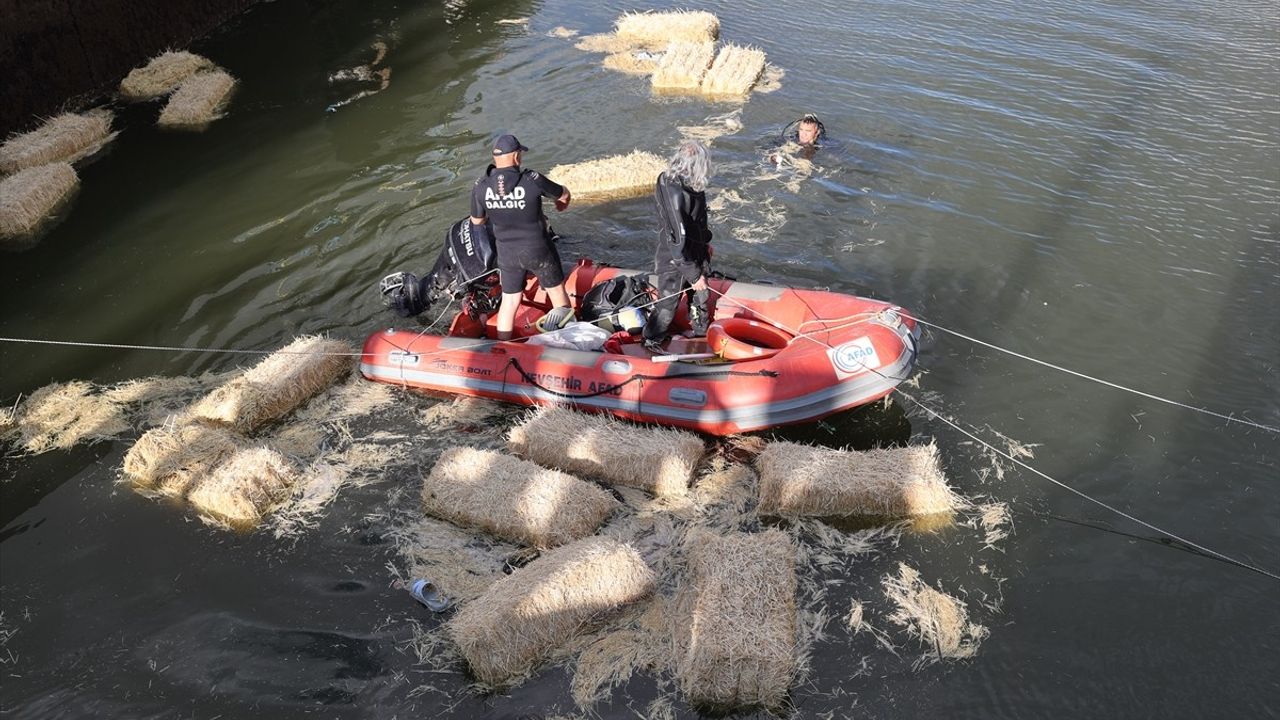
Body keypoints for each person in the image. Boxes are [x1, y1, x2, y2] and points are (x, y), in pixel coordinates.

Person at [469, 134, 573, 340]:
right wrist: (562, 205)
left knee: (509, 301)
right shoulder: (531, 180)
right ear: (516, 157)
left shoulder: (480, 186)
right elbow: (564, 194)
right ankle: (567, 340)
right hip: (538, 250)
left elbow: (477, 221)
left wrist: (500, 209)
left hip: (507, 253)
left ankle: (503, 345)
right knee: (558, 295)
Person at [642, 140, 713, 352]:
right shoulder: (674, 191)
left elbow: (697, 219)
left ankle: (701, 334)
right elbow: (676, 242)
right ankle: (651, 340)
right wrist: (694, 275)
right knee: (667, 304)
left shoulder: (689, 183)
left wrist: (706, 243)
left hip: (695, 250)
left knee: (701, 296)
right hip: (677, 259)